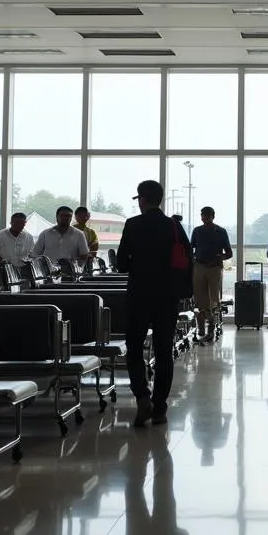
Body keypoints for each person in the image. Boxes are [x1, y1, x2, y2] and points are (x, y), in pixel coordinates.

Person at [116, 180, 194, 427]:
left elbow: (121, 264)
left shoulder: (133, 224)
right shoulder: (173, 226)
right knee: (163, 352)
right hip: (166, 296)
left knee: (135, 348)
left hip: (139, 294)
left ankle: (142, 396)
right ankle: (160, 406)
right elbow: (187, 258)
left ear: (142, 199)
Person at [190, 206, 233, 343]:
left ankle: (211, 328)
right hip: (200, 266)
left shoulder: (220, 231)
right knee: (200, 298)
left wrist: (220, 258)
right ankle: (201, 328)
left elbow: (229, 253)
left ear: (213, 216)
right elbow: (191, 249)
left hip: (214, 268)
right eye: (203, 215)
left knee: (213, 298)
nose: (204, 218)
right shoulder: (197, 231)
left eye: (207, 215)